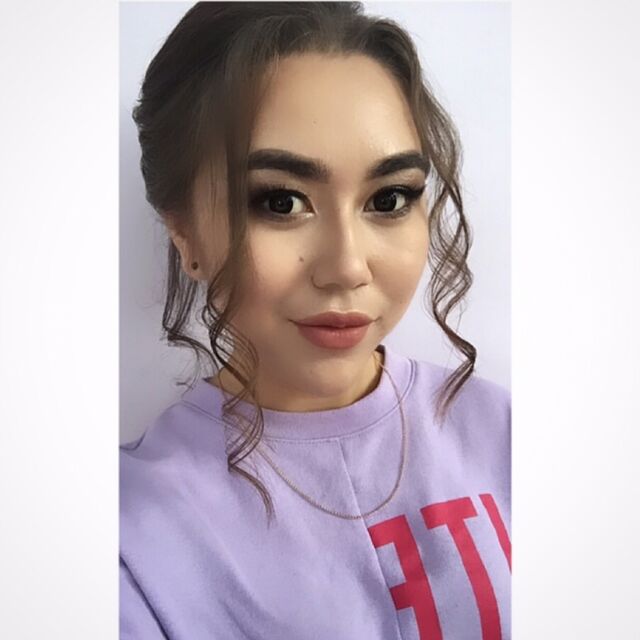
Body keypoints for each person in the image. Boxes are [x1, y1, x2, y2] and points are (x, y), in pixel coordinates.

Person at [120, 2, 511, 638]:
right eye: (281, 202)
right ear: (183, 232)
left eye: (389, 198)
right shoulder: (130, 537)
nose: (347, 268)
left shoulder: (507, 434)